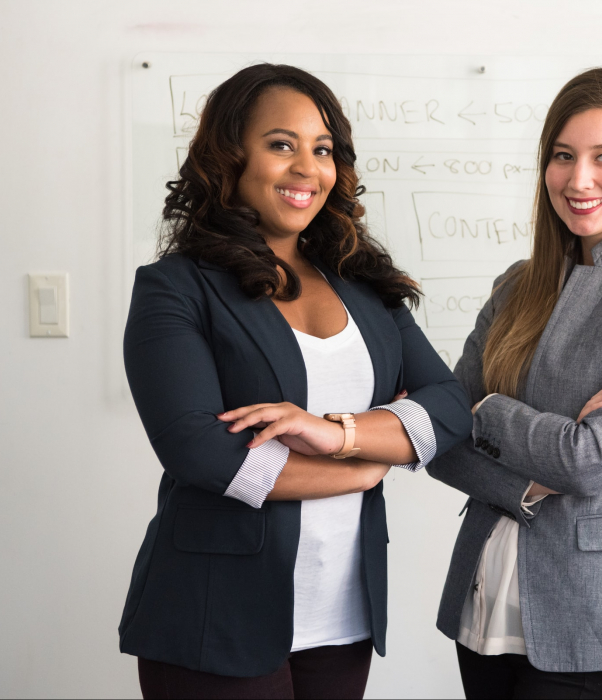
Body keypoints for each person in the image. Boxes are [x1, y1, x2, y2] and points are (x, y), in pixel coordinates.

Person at [119, 63, 472, 700]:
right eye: (282, 144)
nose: (307, 167)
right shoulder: (175, 287)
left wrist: (335, 435)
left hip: (342, 616)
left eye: (323, 149)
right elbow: (201, 451)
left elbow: (448, 408)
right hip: (214, 615)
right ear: (229, 158)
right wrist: (364, 466)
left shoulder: (365, 286)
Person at [427, 67, 602, 700]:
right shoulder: (515, 284)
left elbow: (590, 460)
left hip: (589, 600)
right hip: (485, 586)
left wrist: (488, 409)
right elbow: (442, 442)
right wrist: (526, 478)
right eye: (563, 156)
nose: (577, 179)